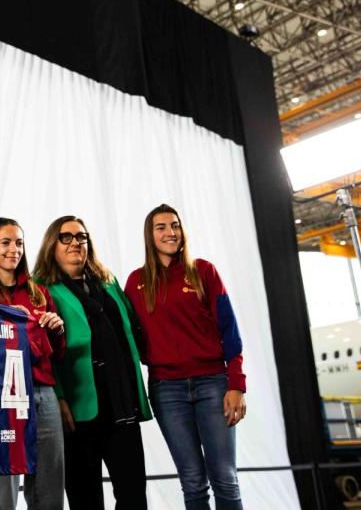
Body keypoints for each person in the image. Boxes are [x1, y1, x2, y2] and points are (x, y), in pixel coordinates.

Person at [123, 204, 246, 510]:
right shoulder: (136, 283)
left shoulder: (204, 271)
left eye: (174, 225)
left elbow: (229, 330)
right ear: (149, 236)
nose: (170, 232)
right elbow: (129, 338)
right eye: (161, 227)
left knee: (225, 478)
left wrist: (237, 384)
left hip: (214, 385)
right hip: (167, 390)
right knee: (192, 481)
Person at [32, 215, 151, 510]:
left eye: (81, 237)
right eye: (66, 237)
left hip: (121, 404)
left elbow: (132, 329)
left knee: (134, 494)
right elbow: (41, 350)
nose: (76, 243)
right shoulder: (41, 288)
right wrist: (58, 397)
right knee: (85, 498)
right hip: (78, 409)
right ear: (52, 245)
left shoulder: (108, 282)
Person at [0, 218, 66, 510]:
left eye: (19, 242)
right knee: (1, 488)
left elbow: (54, 355)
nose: (14, 250)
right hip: (0, 396)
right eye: (6, 242)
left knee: (49, 483)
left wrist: (57, 331)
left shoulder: (38, 293)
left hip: (42, 394)